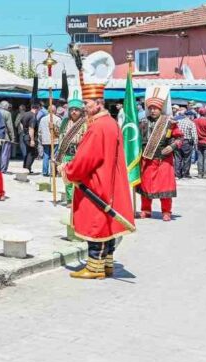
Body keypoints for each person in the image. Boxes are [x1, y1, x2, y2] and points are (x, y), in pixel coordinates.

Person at [63, 52, 133, 280]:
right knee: (106, 224)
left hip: (96, 184)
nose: (84, 107)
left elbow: (86, 159)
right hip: (107, 182)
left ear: (98, 103)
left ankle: (95, 268)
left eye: (86, 103)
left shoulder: (98, 126)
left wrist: (69, 171)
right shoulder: (109, 122)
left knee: (97, 224)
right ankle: (107, 263)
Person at [136, 87, 183, 222]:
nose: (152, 110)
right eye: (150, 108)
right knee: (145, 186)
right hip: (147, 159)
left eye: (155, 108)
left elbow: (180, 138)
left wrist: (171, 146)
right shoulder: (142, 122)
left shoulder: (169, 123)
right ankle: (146, 210)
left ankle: (166, 211)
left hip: (164, 160)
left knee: (165, 187)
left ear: (160, 108)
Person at [55, 91, 86, 206]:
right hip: (66, 153)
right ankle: (69, 199)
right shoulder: (64, 122)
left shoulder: (85, 123)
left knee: (78, 178)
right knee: (66, 177)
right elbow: (58, 135)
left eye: (76, 110)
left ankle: (78, 199)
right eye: (72, 109)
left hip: (79, 154)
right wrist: (52, 129)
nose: (74, 112)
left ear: (81, 111)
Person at [173, 104, 196, 179]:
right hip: (187, 142)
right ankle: (185, 174)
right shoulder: (191, 123)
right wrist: (195, 144)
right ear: (190, 116)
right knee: (187, 158)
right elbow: (194, 134)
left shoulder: (178, 122)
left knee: (178, 158)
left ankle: (177, 174)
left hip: (178, 141)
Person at [18, 103, 39, 173]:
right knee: (32, 153)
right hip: (30, 137)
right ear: (37, 109)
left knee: (28, 152)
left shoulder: (25, 114)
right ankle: (27, 169)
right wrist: (32, 140)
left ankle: (25, 167)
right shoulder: (33, 116)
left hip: (24, 135)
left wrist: (23, 131)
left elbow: (20, 123)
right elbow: (31, 128)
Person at [0, 100, 16, 169]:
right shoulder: (7, 113)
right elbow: (10, 126)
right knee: (5, 153)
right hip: (5, 136)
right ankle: (3, 168)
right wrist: (13, 137)